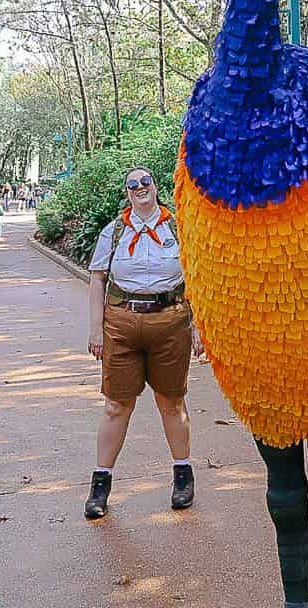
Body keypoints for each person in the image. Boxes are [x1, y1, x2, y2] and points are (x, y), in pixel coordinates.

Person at [83, 167, 204, 520]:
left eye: (145, 182)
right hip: (121, 323)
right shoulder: (114, 231)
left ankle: (183, 476)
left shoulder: (178, 228)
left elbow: (196, 277)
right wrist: (95, 330)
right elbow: (97, 279)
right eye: (132, 185)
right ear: (127, 193)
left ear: (156, 187)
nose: (139, 188)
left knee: (172, 402)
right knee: (115, 406)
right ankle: (100, 484)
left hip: (170, 321)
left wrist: (199, 327)